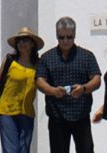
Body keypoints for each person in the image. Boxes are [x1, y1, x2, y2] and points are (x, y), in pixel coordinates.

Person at [35, 17, 101, 153]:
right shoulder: (47, 57)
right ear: (56, 36)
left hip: (81, 115)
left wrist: (84, 89)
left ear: (75, 35)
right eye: (61, 37)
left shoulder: (87, 56)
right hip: (57, 116)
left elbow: (96, 79)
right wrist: (53, 91)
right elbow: (39, 81)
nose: (65, 41)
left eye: (69, 37)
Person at [0, 27, 43, 153]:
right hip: (7, 111)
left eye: (25, 40)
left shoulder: (39, 64)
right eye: (19, 40)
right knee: (11, 150)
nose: (21, 43)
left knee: (24, 149)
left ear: (32, 43)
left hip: (27, 112)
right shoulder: (10, 60)